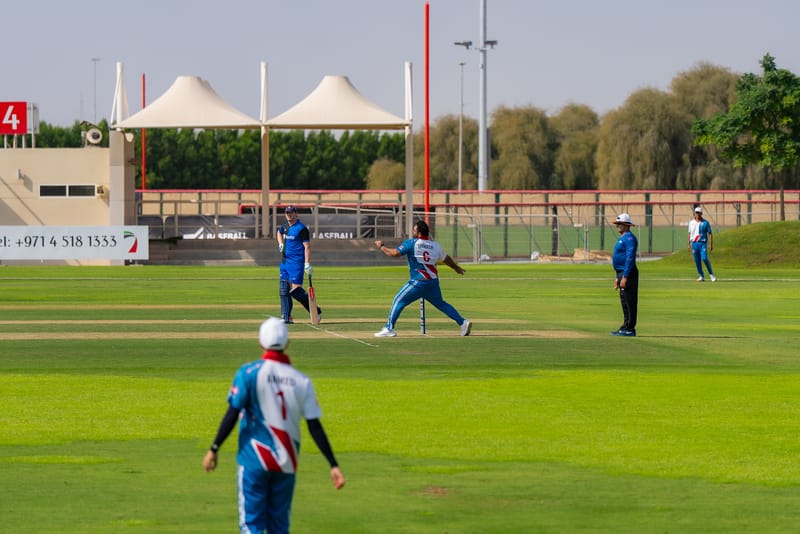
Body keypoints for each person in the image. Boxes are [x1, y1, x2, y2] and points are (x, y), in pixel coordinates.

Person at [203, 317, 345, 534]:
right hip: (286, 462)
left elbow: (232, 413)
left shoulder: (248, 373)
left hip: (254, 460)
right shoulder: (301, 380)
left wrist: (214, 448)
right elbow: (314, 426)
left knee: (251, 526)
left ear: (260, 342)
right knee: (279, 527)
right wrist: (333, 464)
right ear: (287, 343)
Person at [373, 219, 472, 337]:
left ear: (418, 233)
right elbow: (447, 259)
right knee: (441, 304)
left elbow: (394, 253)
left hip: (419, 282)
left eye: (414, 230)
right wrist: (456, 268)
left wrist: (382, 246)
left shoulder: (412, 243)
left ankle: (389, 329)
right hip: (432, 282)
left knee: (399, 300)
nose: (412, 231)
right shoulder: (435, 245)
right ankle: (462, 322)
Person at [277, 205, 321, 323]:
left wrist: (307, 263)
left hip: (296, 263)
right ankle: (286, 317)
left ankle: (316, 311)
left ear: (296, 213)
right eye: (287, 212)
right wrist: (280, 243)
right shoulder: (285, 226)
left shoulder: (301, 228)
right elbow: (279, 232)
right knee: (283, 290)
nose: (289, 214)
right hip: (285, 262)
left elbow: (307, 247)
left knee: (296, 291)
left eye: (291, 212)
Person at [611, 213, 638, 337]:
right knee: (624, 300)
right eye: (617, 224)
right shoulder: (623, 238)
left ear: (627, 225)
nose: (618, 226)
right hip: (621, 272)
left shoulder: (630, 239)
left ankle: (630, 328)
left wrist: (625, 276)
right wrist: (618, 276)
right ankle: (625, 325)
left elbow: (630, 258)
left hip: (629, 273)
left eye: (620, 224)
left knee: (629, 301)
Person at [688, 206, 716, 282]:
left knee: (704, 258)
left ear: (701, 213)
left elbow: (710, 233)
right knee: (697, 260)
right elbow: (689, 233)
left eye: (699, 213)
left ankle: (711, 274)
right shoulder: (691, 223)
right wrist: (688, 243)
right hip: (694, 244)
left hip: (702, 243)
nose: (697, 214)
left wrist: (711, 244)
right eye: (696, 212)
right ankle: (701, 276)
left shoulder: (705, 223)